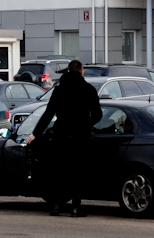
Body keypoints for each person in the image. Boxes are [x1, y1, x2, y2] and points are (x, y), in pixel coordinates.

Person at [25, 59, 101, 217]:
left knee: (58, 170)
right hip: (81, 136)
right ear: (81, 71)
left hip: (61, 134)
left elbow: (48, 114)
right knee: (77, 171)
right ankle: (75, 207)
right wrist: (86, 123)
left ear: (67, 71)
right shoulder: (89, 89)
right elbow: (98, 114)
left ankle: (55, 206)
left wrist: (35, 134)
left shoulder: (59, 90)